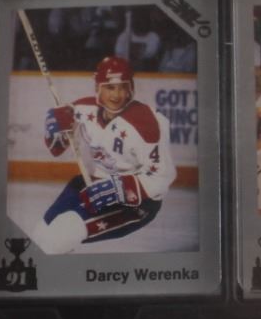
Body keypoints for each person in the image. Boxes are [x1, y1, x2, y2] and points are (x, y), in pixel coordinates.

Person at [34, 55, 176, 253]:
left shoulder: (147, 124)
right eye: (110, 87)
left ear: (131, 88)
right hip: (93, 183)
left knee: (63, 232)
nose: (116, 95)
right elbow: (56, 149)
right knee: (41, 235)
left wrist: (120, 188)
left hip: (135, 203)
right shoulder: (83, 109)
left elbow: (162, 178)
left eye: (122, 87)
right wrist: (55, 130)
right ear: (98, 88)